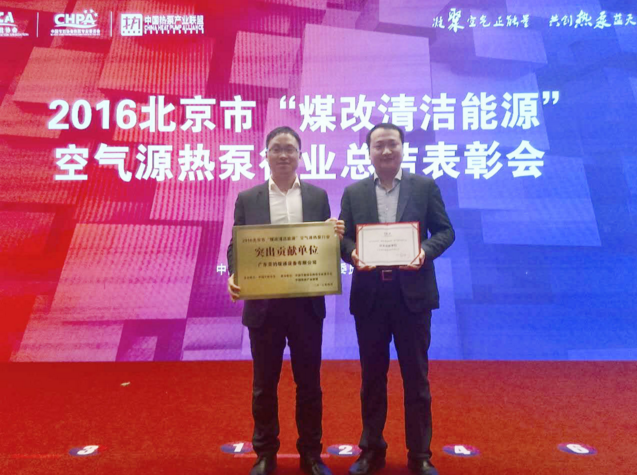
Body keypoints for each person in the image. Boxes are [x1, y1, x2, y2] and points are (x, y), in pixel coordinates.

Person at [339, 123, 455, 475]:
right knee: (372, 378)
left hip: (413, 297)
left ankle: (419, 454)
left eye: (392, 144)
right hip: (371, 298)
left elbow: (446, 231)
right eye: (379, 145)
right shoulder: (354, 192)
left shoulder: (424, 187)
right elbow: (343, 240)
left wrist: (424, 251)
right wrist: (352, 253)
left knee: (416, 379)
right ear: (369, 152)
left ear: (403, 148)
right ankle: (371, 450)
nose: (386, 151)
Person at [227, 126, 343, 475]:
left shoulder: (317, 196)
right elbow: (236, 246)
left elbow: (322, 247)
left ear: (299, 155)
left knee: (309, 385)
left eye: (289, 149)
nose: (283, 155)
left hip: (306, 306)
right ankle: (265, 453)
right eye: (276, 148)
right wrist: (235, 273)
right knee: (264, 386)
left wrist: (335, 236)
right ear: (265, 155)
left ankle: (311, 453)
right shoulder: (248, 198)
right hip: (264, 307)